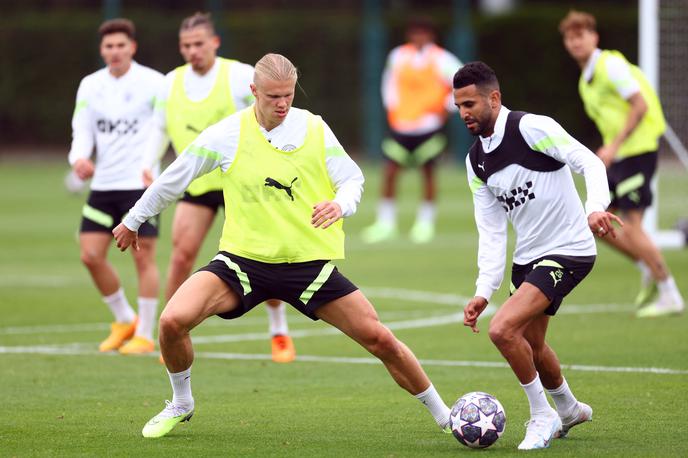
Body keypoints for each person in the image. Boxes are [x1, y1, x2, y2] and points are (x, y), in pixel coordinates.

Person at [113, 53, 453, 439]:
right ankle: (181, 402)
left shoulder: (315, 128)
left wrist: (340, 204)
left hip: (306, 266)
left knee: (381, 339)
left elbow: (353, 180)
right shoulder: (227, 134)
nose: (282, 103)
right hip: (242, 263)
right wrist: (133, 219)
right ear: (253, 91)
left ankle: (446, 416)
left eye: (288, 95)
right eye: (273, 95)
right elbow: (174, 177)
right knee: (172, 321)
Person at [454, 62, 622, 450]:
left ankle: (541, 414)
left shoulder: (531, 128)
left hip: (569, 250)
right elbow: (492, 230)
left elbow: (589, 161)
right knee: (533, 345)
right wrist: (484, 289)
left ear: (494, 98)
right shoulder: (476, 160)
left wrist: (595, 206)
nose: (464, 113)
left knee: (502, 330)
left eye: (470, 103)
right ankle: (569, 409)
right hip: (527, 260)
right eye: (459, 105)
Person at [141, 12, 295, 361]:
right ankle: (171, 334)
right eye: (185, 45)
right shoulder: (170, 82)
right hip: (200, 183)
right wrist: (149, 164)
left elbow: (272, 114)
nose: (192, 51)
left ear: (214, 43)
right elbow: (160, 126)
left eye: (198, 44)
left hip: (243, 181)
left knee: (265, 255)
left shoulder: (239, 76)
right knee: (181, 254)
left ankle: (279, 331)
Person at [559, 10, 685, 318]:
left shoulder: (610, 65)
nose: (576, 42)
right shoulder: (585, 80)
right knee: (599, 222)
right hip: (619, 157)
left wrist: (613, 146)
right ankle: (647, 265)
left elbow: (639, 104)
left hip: (637, 152)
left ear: (594, 37)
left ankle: (670, 293)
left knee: (634, 222)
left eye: (581, 35)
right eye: (570, 37)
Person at [68, 18, 164, 354]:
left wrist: (152, 166)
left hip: (140, 186)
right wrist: (78, 158)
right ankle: (125, 319)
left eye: (121, 45)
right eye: (108, 46)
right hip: (103, 184)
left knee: (143, 260)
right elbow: (82, 128)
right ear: (102, 50)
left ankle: (146, 334)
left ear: (132, 47)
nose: (115, 51)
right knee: (90, 255)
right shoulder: (90, 85)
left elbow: (164, 127)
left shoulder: (154, 82)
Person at [361, 18, 462, 244]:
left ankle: (425, 223)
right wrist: (393, 109)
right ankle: (386, 223)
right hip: (401, 127)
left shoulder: (442, 58)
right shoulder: (398, 56)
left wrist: (445, 108)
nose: (419, 37)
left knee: (428, 175)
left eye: (424, 33)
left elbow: (462, 81)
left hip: (429, 128)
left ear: (431, 35)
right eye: (416, 33)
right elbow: (388, 84)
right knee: (389, 172)